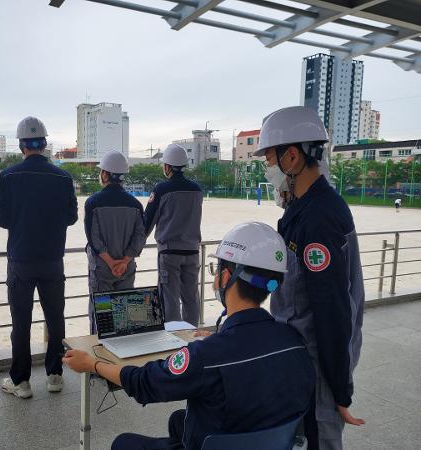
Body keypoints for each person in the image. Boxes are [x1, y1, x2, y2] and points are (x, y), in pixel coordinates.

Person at [63, 222, 316, 450]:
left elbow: (145, 383)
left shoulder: (206, 355)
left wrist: (92, 364)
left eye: (217, 269)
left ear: (226, 277)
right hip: (259, 440)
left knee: (123, 443)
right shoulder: (294, 343)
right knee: (178, 421)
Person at [255, 106, 365, 450]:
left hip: (318, 367)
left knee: (318, 441)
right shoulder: (298, 209)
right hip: (298, 359)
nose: (267, 167)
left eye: (269, 158)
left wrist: (340, 387)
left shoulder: (319, 218)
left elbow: (333, 310)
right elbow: (287, 284)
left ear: (292, 156)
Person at [0, 116, 78, 399]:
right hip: (53, 259)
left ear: (21, 146)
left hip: (21, 260)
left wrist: (24, 221)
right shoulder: (63, 178)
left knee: (21, 322)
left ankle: (21, 381)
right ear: (44, 144)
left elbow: (1, 219)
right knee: (55, 318)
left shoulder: (7, 177)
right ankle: (55, 375)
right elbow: (71, 217)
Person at [84, 150, 147, 333]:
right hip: (126, 269)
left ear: (105, 174)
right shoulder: (135, 204)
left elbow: (93, 238)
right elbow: (140, 237)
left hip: (102, 269)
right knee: (124, 317)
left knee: (100, 316)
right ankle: (120, 356)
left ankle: (96, 356)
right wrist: (124, 261)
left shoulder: (93, 202)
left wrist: (111, 263)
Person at [144, 144, 203, 326]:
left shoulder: (162, 189)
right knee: (191, 298)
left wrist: (134, 247)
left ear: (167, 167)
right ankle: (192, 338)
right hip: (193, 252)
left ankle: (174, 342)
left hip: (170, 253)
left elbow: (148, 221)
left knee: (169, 299)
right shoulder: (197, 189)